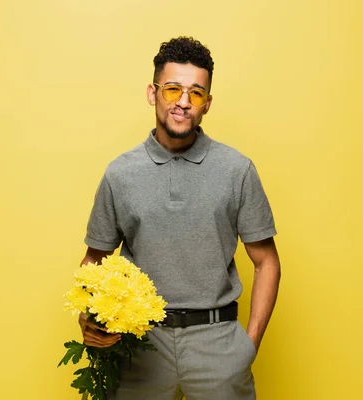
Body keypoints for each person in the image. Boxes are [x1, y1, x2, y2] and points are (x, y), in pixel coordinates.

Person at [78, 36, 281, 400]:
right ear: (152, 93)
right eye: (172, 89)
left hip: (218, 340)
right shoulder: (120, 174)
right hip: (140, 346)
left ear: (207, 103)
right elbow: (95, 261)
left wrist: (247, 347)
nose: (183, 103)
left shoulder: (237, 170)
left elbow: (266, 262)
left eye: (196, 93)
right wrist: (88, 317)